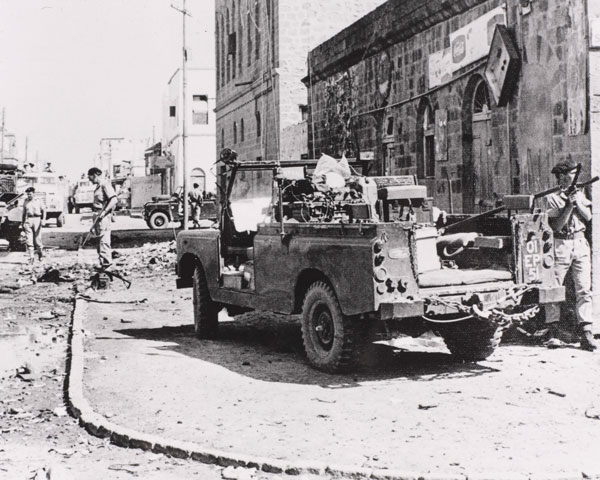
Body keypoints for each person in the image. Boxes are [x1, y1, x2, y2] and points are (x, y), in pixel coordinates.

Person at [545, 159, 597, 351]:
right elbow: (556, 226)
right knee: (554, 287)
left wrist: (577, 203)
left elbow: (589, 217)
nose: (573, 177)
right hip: (560, 243)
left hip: (580, 241)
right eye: (569, 174)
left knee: (584, 288)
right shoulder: (552, 197)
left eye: (575, 174)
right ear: (560, 176)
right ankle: (553, 331)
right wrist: (568, 206)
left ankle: (586, 331)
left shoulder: (581, 193)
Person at [87, 167, 117, 269]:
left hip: (103, 217)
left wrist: (104, 212)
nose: (89, 179)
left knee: (104, 242)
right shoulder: (98, 187)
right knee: (99, 241)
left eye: (90, 177)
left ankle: (107, 267)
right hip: (98, 216)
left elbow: (113, 200)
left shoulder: (105, 185)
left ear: (95, 175)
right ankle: (103, 265)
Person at [21, 187, 45, 266]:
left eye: (30, 194)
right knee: (29, 240)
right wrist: (22, 223)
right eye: (28, 194)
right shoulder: (25, 201)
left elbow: (44, 210)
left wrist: (43, 220)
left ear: (34, 193)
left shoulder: (38, 200)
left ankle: (40, 254)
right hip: (29, 220)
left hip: (37, 219)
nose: (29, 196)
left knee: (37, 240)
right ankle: (31, 258)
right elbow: (24, 213)